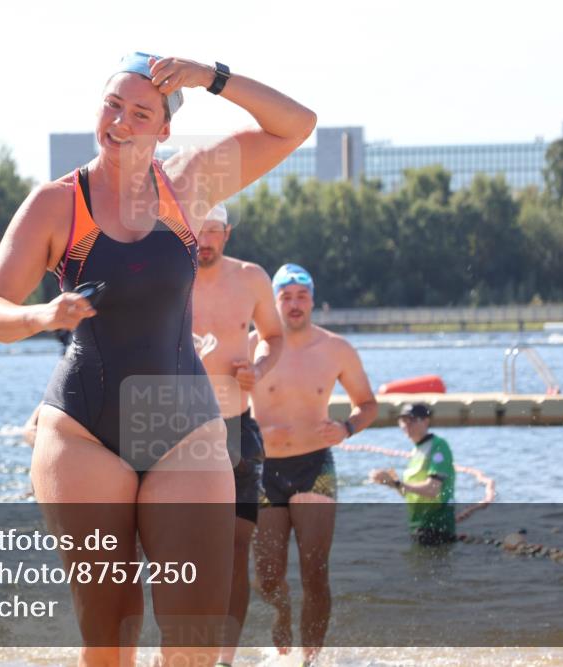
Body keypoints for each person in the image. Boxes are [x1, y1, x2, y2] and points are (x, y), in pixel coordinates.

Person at [0, 51, 316, 666]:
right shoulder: (56, 204)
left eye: (140, 112)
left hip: (184, 430)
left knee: (195, 640)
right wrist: (42, 316)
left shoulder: (187, 184)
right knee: (112, 636)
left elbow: (296, 124)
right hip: (84, 434)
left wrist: (211, 77)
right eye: (112, 105)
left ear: (163, 129)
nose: (121, 122)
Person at [249, 264, 378, 663]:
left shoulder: (336, 349)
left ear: (312, 299)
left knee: (315, 571)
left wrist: (346, 428)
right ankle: (283, 611)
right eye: (285, 296)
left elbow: (368, 405)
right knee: (268, 578)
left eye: (301, 295)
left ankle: (312, 658)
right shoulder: (253, 346)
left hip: (314, 469)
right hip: (263, 470)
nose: (294, 304)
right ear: (274, 303)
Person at [191, 201, 283, 666]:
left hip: (236, 430)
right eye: (197, 230)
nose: (204, 240)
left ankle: (224, 660)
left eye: (213, 231)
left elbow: (274, 335)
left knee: (234, 551)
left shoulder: (250, 278)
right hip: (176, 431)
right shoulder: (167, 277)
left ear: (227, 234)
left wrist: (259, 367)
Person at [369, 403, 457, 545]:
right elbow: (410, 493)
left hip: (436, 528)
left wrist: (397, 483)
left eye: (412, 420)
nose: (407, 425)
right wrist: (390, 482)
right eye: (403, 420)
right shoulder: (416, 451)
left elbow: (433, 489)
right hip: (417, 525)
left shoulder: (438, 446)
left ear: (426, 421)